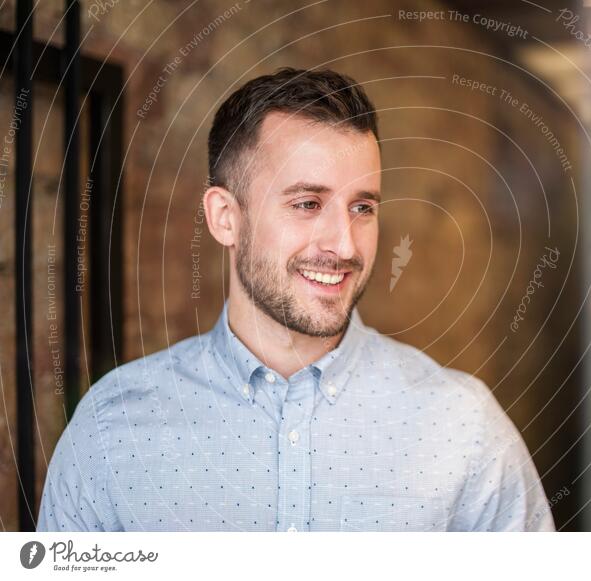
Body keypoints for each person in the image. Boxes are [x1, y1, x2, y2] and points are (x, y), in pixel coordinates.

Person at [37, 68, 555, 532]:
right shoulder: (113, 429)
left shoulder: (464, 427)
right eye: (307, 204)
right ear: (225, 217)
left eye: (362, 208)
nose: (345, 245)